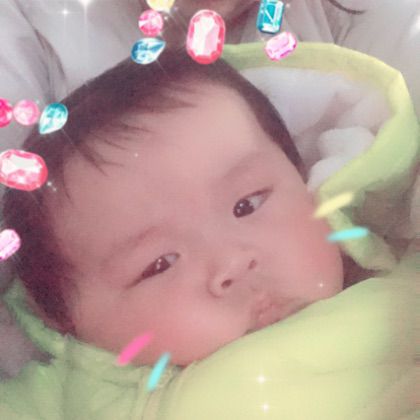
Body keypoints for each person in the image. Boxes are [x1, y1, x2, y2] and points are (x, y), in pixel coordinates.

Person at [0, 43, 417, 419]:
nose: (232, 262)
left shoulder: (401, 296)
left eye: (246, 204)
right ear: (64, 322)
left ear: (306, 178)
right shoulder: (72, 397)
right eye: (160, 263)